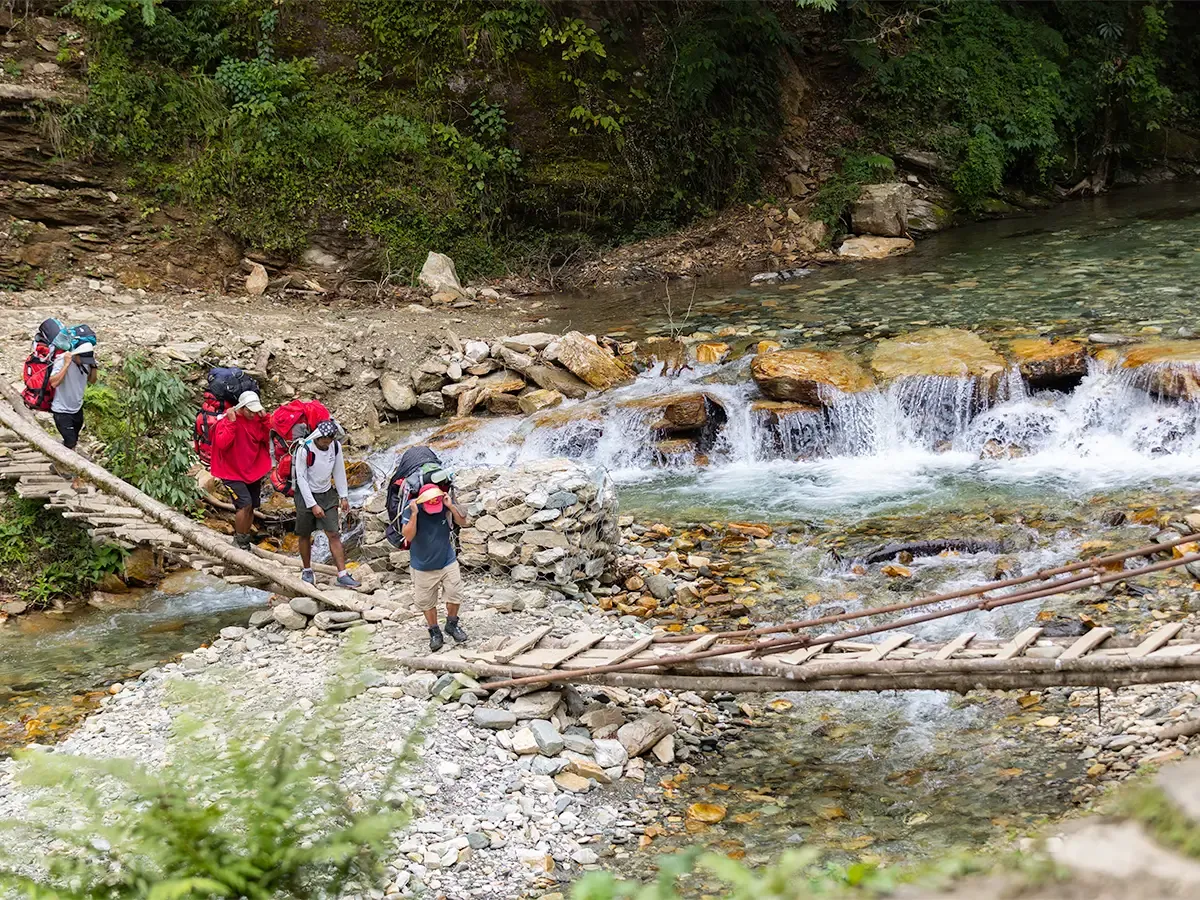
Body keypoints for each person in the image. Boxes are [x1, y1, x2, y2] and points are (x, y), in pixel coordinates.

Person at [401, 483, 468, 651]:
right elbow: (408, 535)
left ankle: (452, 624)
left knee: (455, 593)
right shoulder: (411, 509)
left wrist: (450, 506)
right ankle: (434, 631)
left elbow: (463, 522)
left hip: (447, 560)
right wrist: (414, 514)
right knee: (426, 602)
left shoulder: (445, 505)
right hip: (423, 565)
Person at [293, 419, 360, 588]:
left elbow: (339, 471)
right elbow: (301, 478)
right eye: (324, 441)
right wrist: (312, 505)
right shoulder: (304, 449)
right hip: (306, 495)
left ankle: (342, 574)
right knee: (304, 534)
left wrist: (344, 496)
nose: (327, 444)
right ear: (318, 437)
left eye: (329, 440)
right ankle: (307, 570)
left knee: (334, 533)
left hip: (327, 494)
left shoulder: (335, 447)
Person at [210, 390, 271, 550]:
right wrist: (231, 423)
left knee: (251, 506)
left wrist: (265, 419)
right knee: (244, 504)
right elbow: (222, 444)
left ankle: (245, 540)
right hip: (231, 472)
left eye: (255, 411)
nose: (253, 414)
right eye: (250, 411)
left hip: (251, 470)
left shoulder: (257, 420)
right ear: (242, 408)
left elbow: (267, 438)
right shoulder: (226, 421)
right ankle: (239, 541)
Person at [48, 341, 98, 450]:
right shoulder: (62, 360)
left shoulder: (87, 363)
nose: (84, 362)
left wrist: (93, 366)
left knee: (73, 440)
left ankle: (59, 457)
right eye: (83, 359)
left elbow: (92, 381)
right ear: (76, 354)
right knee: (70, 442)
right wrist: (66, 365)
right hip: (61, 410)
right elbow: (54, 383)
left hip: (77, 409)